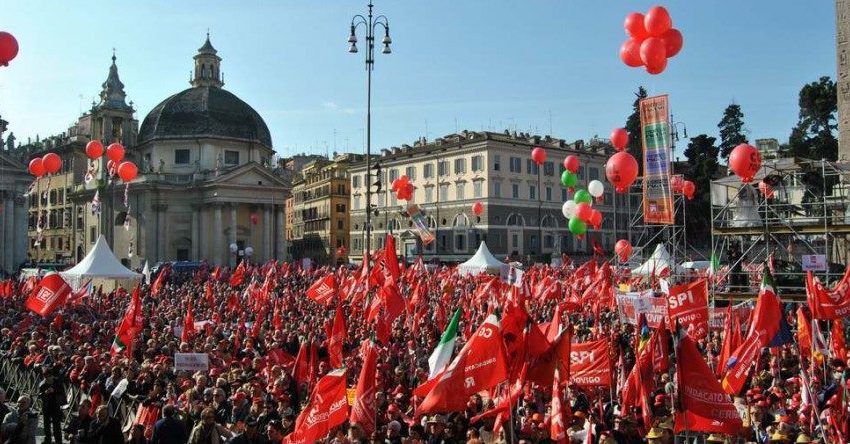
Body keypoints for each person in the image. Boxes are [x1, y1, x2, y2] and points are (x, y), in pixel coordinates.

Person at [38, 365, 66, 444]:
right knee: (46, 424)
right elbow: (40, 395)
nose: (47, 378)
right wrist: (45, 393)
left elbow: (62, 392)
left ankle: (58, 440)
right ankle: (48, 440)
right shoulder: (42, 384)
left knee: (56, 425)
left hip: (56, 405)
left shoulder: (57, 382)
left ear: (52, 375)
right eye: (46, 376)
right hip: (46, 406)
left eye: (49, 376)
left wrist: (54, 390)